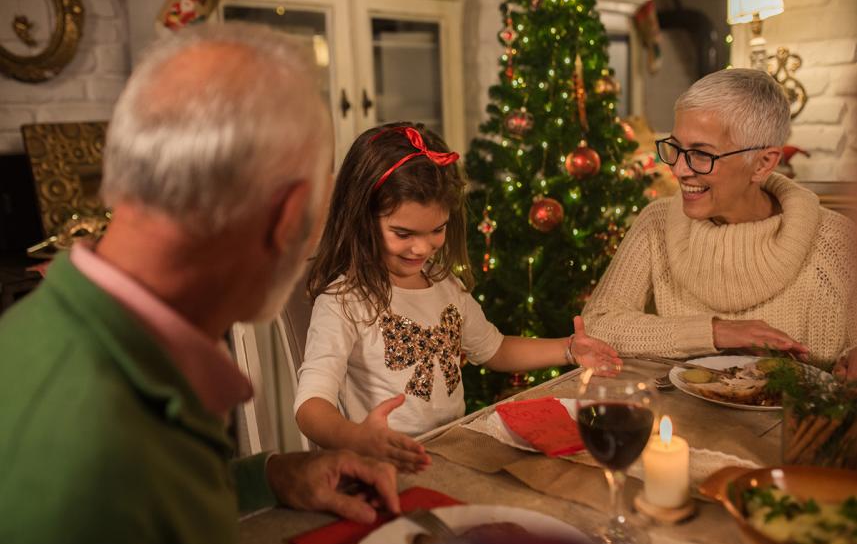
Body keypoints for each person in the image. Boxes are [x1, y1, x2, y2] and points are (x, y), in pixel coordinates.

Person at [0, 23, 399, 544]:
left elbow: (154, 501)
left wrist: (270, 476)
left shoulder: (52, 330)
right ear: (286, 219)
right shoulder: (96, 449)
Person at [294, 122, 621, 473]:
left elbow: (494, 349)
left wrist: (568, 349)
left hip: (452, 455)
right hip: (386, 468)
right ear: (361, 220)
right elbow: (311, 405)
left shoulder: (443, 283)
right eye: (402, 233)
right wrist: (356, 437)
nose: (422, 248)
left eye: (437, 230)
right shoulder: (345, 299)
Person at [582, 68, 855, 365]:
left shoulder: (834, 240)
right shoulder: (656, 223)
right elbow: (597, 325)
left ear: (763, 163)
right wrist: (716, 332)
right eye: (676, 148)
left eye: (701, 154)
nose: (678, 170)